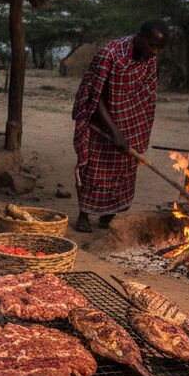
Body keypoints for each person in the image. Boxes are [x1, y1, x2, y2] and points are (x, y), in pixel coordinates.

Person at [71, 19, 170, 233]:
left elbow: (146, 95)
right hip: (100, 120)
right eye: (152, 45)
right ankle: (84, 214)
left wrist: (134, 131)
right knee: (93, 169)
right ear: (140, 37)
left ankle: (109, 212)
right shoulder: (110, 54)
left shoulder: (150, 59)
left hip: (130, 121)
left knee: (123, 169)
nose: (155, 51)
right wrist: (114, 131)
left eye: (159, 48)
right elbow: (95, 95)